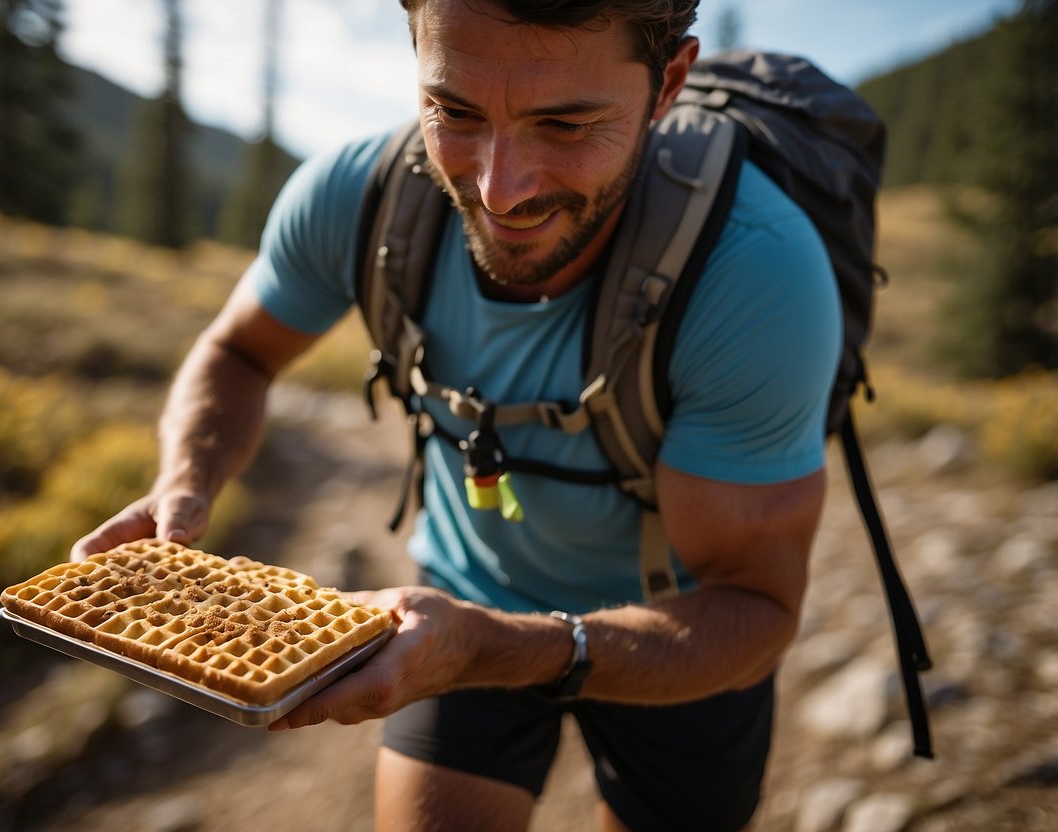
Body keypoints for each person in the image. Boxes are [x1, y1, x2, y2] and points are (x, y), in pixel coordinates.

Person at [72, 0, 842, 829]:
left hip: (675, 643)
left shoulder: (754, 271)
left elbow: (755, 610)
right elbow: (239, 352)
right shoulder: (355, 197)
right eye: (455, 112)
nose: (497, 187)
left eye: (566, 124)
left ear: (668, 85)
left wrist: (497, 644)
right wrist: (187, 476)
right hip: (451, 614)